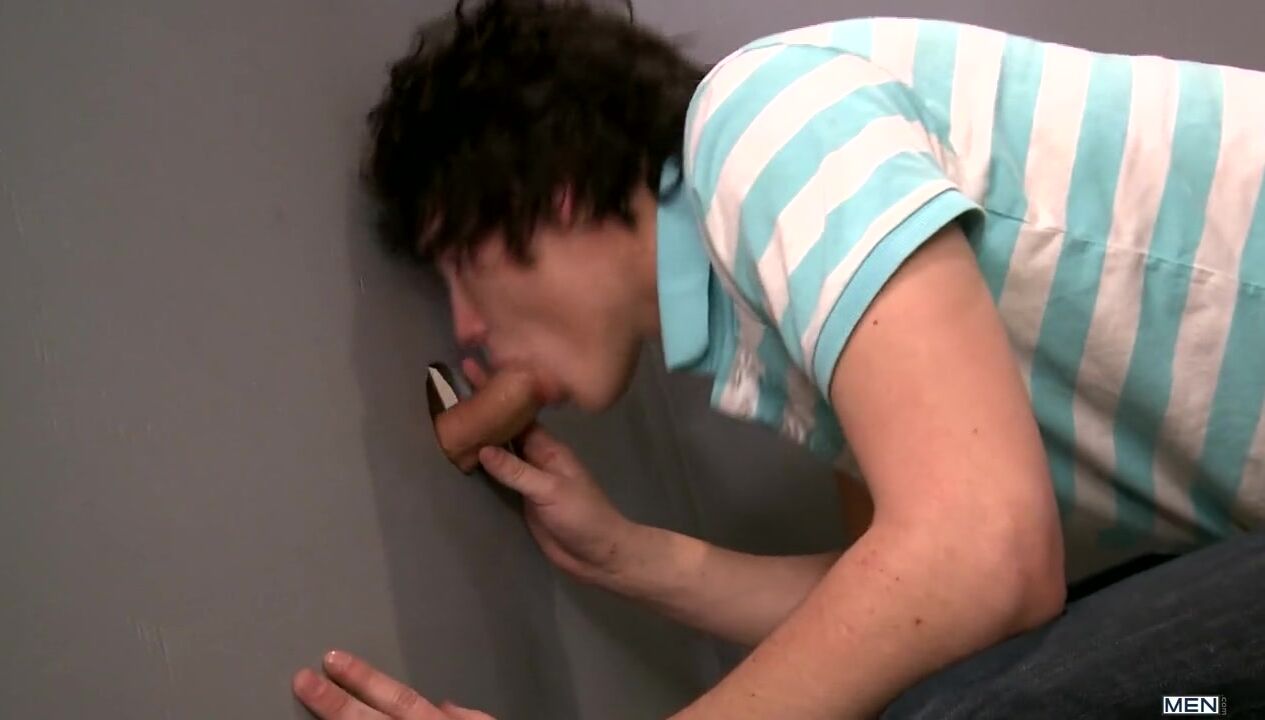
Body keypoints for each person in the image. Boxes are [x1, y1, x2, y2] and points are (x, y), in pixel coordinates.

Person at [292, 1, 1265, 717]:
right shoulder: (800, 325)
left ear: (549, 193)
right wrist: (632, 556)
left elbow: (982, 556)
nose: (464, 327)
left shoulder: (759, 122)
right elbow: (921, 612)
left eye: (461, 263)